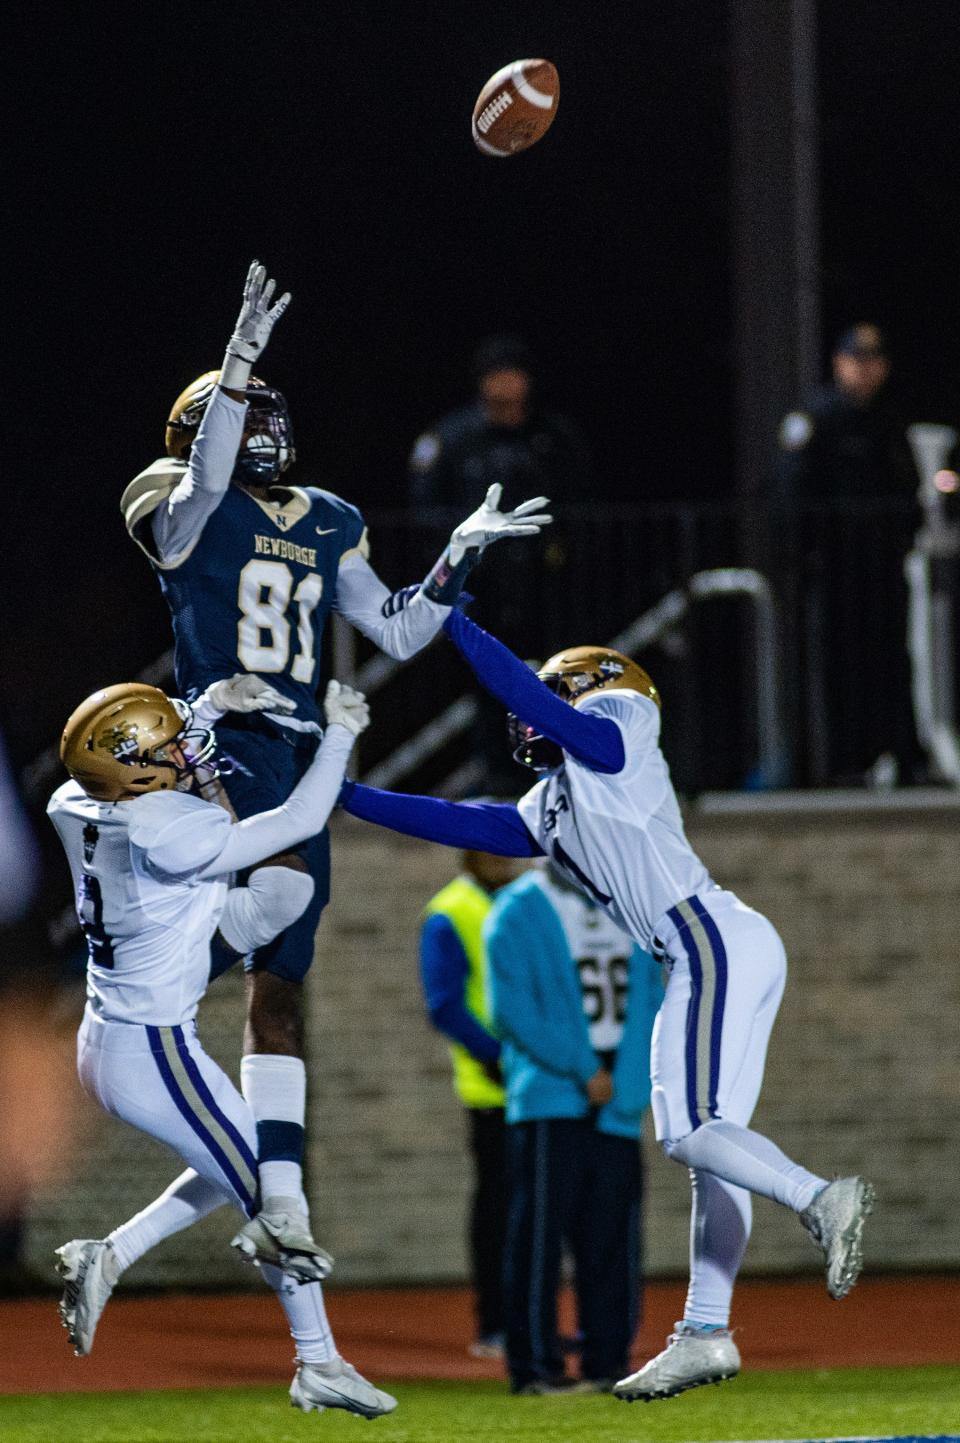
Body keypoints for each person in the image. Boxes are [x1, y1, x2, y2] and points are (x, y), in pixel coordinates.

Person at [120, 262, 552, 1272]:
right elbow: (196, 500)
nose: (264, 417)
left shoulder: (328, 516)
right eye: (244, 407)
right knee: (266, 901)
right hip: (219, 738)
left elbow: (400, 632)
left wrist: (457, 556)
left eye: (267, 401)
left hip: (305, 759)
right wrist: (232, 368)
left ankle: (283, 1197)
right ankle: (139, 981)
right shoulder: (173, 501)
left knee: (283, 989)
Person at [338, 608, 876, 1401]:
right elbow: (449, 818)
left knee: (690, 1130)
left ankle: (819, 1195)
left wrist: (452, 618)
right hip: (710, 947)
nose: (526, 717)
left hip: (707, 940)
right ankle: (705, 1330)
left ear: (588, 689)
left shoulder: (621, 722)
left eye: (547, 697)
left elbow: (540, 700)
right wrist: (336, 793)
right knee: (713, 1144)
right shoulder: (551, 801)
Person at [46, 672, 398, 1419]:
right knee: (273, 1195)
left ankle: (108, 1254)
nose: (184, 747)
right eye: (168, 744)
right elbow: (299, 816)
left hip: (118, 1027)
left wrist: (204, 707)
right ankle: (319, 1362)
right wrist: (339, 734)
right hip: (150, 1048)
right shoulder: (163, 828)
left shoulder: (76, 799)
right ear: (137, 769)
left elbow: (156, 774)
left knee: (284, 893)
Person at [486, 860, 662, 1395]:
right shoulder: (519, 908)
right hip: (550, 1096)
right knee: (538, 1240)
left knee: (613, 1239)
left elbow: (652, 997)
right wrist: (585, 1069)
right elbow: (511, 1010)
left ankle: (608, 1363)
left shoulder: (630, 904)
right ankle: (535, 1368)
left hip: (618, 1095)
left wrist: (630, 1081)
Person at [408, 333, 590, 790]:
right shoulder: (453, 439)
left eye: (514, 376)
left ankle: (552, 769)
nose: (507, 386)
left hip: (543, 585)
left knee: (552, 677)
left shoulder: (552, 437)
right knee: (485, 681)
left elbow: (583, 503)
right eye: (497, 376)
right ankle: (495, 773)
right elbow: (426, 509)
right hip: (479, 584)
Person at [773, 322, 921, 783]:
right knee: (836, 666)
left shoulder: (888, 419)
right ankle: (838, 763)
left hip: (881, 564)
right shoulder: (817, 418)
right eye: (856, 361)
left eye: (874, 362)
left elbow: (908, 487)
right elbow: (792, 492)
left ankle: (904, 757)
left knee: (894, 660)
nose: (865, 371)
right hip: (833, 568)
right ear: (839, 363)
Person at [419, 848, 521, 1358]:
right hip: (494, 1085)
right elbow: (445, 1005)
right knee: (500, 1208)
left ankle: (532, 1322)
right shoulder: (451, 911)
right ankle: (496, 1324)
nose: (505, 856)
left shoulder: (526, 901)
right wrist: (497, 1057)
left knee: (539, 1210)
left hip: (540, 1080)